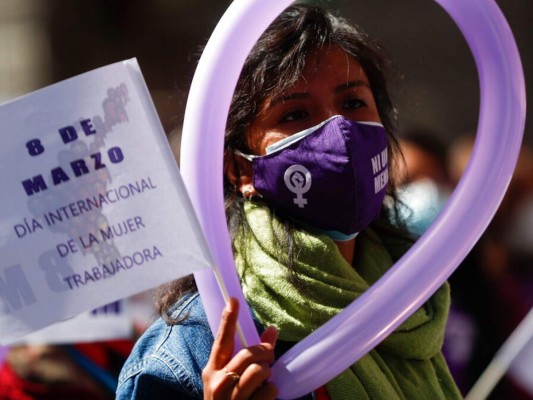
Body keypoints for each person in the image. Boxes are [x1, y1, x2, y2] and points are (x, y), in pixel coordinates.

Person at [116, 4, 462, 399]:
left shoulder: (414, 308)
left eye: (353, 104)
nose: (340, 131)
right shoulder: (201, 347)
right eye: (296, 113)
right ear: (240, 171)